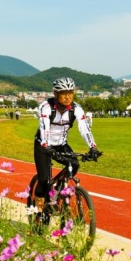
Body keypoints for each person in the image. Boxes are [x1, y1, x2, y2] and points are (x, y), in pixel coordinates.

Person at [34, 77, 100, 213]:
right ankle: (38, 211)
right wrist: (47, 146)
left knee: (74, 164)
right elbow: (44, 128)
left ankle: (57, 190)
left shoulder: (76, 109)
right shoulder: (46, 107)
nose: (68, 97)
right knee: (44, 179)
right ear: (56, 94)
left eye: (70, 93)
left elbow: (84, 129)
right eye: (64, 93)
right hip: (43, 145)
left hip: (61, 144)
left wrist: (92, 147)